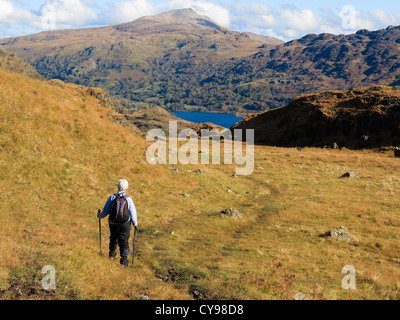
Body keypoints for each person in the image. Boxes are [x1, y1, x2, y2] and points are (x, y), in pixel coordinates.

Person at [98, 179, 138, 266]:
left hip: (113, 222)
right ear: (126, 188)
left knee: (113, 237)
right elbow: (133, 212)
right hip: (125, 224)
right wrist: (135, 223)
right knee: (124, 240)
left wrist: (100, 216)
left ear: (118, 187)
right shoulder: (128, 199)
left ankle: (112, 254)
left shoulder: (112, 197)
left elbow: (106, 211)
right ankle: (124, 260)